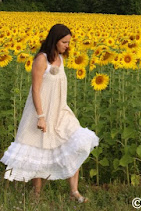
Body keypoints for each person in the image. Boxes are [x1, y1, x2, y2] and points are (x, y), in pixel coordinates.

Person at [1, 24, 99, 203]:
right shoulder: (41, 59)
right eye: (64, 42)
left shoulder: (61, 58)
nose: (67, 46)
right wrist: (41, 116)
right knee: (38, 150)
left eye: (68, 42)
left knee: (77, 142)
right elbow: (36, 91)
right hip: (41, 112)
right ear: (55, 40)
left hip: (61, 112)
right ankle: (36, 196)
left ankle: (74, 192)